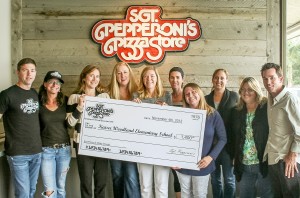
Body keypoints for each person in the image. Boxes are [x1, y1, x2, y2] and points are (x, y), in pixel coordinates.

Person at [0, 58, 42, 198]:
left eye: (32, 70)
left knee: (30, 191)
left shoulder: (35, 94)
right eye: (25, 70)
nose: (29, 74)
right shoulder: (7, 95)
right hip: (18, 153)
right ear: (18, 72)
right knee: (23, 194)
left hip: (36, 151)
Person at [176, 83, 227, 198]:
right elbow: (173, 137)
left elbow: (223, 138)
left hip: (202, 164)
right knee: (185, 195)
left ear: (200, 93)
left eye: (194, 92)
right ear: (185, 98)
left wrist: (210, 157)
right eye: (187, 94)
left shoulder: (212, 114)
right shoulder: (180, 115)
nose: (191, 95)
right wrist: (173, 159)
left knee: (199, 195)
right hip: (182, 164)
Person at [67, 64, 109, 198]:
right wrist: (79, 107)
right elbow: (69, 123)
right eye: (91, 75)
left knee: (101, 183)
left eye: (97, 76)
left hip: (101, 145)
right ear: (84, 78)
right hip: (82, 145)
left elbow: (110, 121)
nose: (94, 79)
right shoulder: (74, 97)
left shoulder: (105, 97)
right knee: (85, 184)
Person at [261, 63, 300, 198]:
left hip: (287, 161)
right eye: (265, 79)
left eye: (272, 78)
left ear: (281, 78)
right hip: (273, 160)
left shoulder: (289, 99)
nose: (268, 82)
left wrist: (293, 155)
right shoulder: (270, 100)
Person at [133, 66, 172, 198]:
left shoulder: (166, 95)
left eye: (152, 76)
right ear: (142, 79)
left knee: (161, 186)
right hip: (143, 146)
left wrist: (168, 110)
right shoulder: (136, 96)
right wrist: (132, 107)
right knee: (145, 187)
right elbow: (132, 122)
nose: (149, 79)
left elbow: (172, 123)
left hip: (162, 146)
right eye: (145, 76)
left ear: (157, 78)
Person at [231, 77, 273, 198]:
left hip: (263, 162)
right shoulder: (236, 111)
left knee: (267, 195)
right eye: (243, 89)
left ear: (256, 91)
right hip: (243, 164)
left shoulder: (266, 108)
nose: (246, 92)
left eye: (250, 89)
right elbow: (233, 137)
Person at [107, 62, 141, 198]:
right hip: (113, 142)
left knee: (132, 177)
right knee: (117, 175)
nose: (122, 76)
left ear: (130, 74)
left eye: (125, 72)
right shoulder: (108, 94)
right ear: (115, 75)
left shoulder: (137, 92)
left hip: (132, 142)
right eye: (119, 73)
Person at [205, 68, 238, 198]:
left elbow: (237, 120)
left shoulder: (234, 96)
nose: (219, 80)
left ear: (226, 80)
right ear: (212, 80)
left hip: (228, 146)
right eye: (216, 78)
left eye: (222, 78)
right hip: (211, 146)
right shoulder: (206, 99)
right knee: (215, 180)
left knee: (229, 179)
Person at [38, 71, 71, 198]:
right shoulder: (38, 103)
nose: (54, 84)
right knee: (49, 190)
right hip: (46, 151)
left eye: (57, 82)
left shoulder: (66, 101)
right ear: (45, 84)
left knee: (61, 187)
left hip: (64, 150)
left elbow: (72, 122)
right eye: (51, 81)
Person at [169, 66, 184, 198]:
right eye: (172, 78)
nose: (175, 80)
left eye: (177, 77)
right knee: (176, 174)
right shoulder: (166, 97)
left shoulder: (188, 94)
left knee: (185, 174)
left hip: (184, 141)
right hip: (170, 141)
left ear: (182, 79)